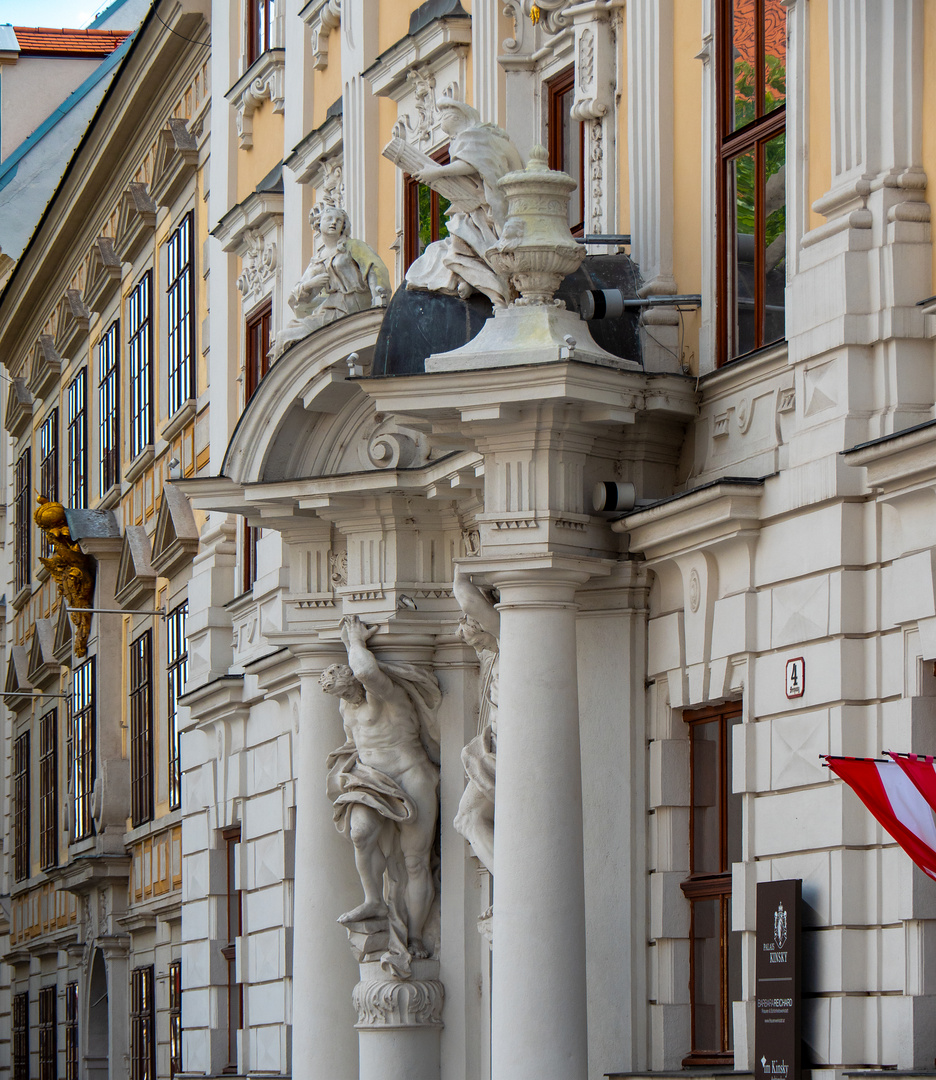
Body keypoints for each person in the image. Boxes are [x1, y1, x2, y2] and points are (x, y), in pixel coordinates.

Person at [321, 615, 441, 969]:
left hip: (411, 774)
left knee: (415, 861)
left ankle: (416, 936)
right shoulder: (347, 704)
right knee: (360, 833)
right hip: (371, 779)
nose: (346, 698)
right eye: (339, 694)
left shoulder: (383, 692)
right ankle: (373, 899)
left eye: (346, 689)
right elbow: (352, 741)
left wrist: (354, 643)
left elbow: (367, 674)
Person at [405, 97, 523, 308]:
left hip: (489, 206)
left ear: (458, 118)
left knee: (463, 244)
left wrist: (436, 172)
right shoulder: (476, 136)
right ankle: (480, 284)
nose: (442, 119)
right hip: (481, 206)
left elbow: (472, 164)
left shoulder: (473, 134)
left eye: (446, 115)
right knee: (457, 248)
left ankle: (497, 292)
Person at [271, 206, 389, 358]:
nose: (334, 223)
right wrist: (311, 284)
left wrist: (378, 303)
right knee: (285, 336)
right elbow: (296, 297)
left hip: (355, 306)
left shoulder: (353, 246)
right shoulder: (319, 259)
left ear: (343, 226)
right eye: (329, 219)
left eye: (338, 220)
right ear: (319, 224)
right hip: (332, 308)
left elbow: (375, 269)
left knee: (291, 335)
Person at [452, 564, 500, 875]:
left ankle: (516, 896)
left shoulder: (513, 644)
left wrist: (459, 574)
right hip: (496, 746)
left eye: (479, 642)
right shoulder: (495, 657)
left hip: (509, 749)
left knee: (468, 818)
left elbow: (470, 601)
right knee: (466, 819)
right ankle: (513, 895)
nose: (480, 649)